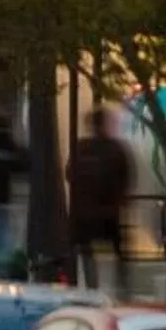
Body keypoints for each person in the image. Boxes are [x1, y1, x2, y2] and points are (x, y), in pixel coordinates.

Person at [66, 108, 132, 292]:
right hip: (109, 212)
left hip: (85, 213)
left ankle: (91, 289)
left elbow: (70, 174)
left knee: (87, 252)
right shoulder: (116, 149)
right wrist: (120, 199)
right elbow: (126, 177)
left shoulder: (81, 147)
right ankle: (122, 288)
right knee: (119, 252)